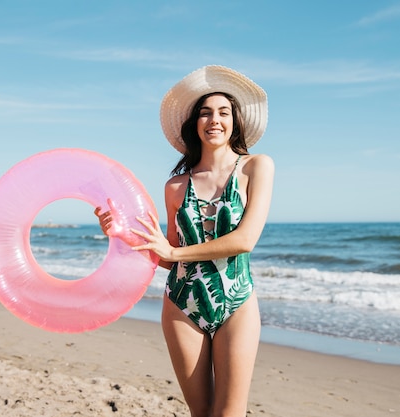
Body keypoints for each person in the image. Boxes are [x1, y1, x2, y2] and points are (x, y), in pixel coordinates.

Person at [95, 65, 274, 417]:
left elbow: (245, 239)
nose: (214, 119)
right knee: (200, 413)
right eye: (205, 113)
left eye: (224, 112)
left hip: (236, 300)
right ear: (195, 124)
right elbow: (167, 256)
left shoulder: (257, 167)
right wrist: (120, 233)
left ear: (235, 122)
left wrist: (174, 251)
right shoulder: (175, 187)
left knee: (229, 413)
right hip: (181, 303)